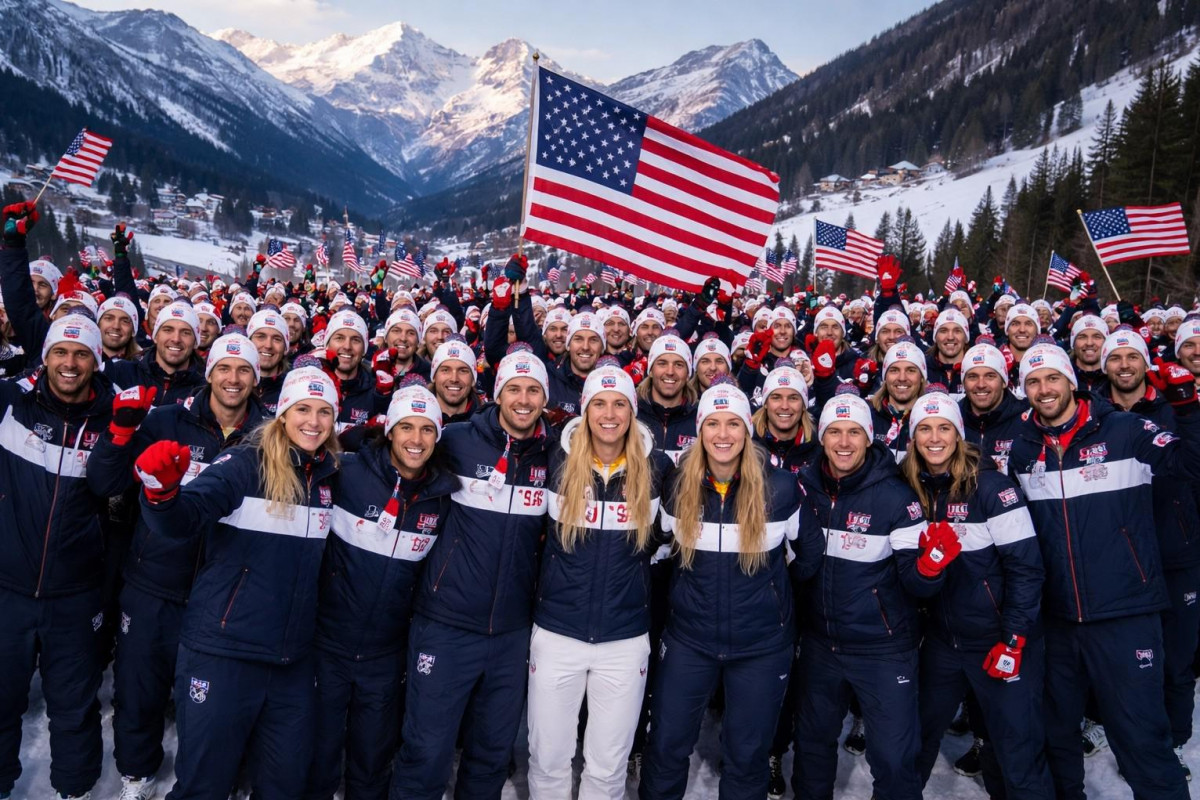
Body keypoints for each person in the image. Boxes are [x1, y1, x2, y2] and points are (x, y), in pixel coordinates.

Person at [132, 366, 341, 799]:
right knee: (204, 787)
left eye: (324, 412)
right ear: (282, 413)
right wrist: (161, 494)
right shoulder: (245, 463)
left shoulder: (326, 477)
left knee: (284, 787)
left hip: (290, 661)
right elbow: (185, 517)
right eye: (303, 409)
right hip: (224, 653)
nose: (314, 422)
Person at [1011, 341, 1200, 799]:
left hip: (1125, 614)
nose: (1044, 389)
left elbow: (1190, 464)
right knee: (1057, 737)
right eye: (1033, 382)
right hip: (1056, 621)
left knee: (1142, 739)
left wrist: (1189, 408)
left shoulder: (1125, 429)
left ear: (1071, 382)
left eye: (1052, 378)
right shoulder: (1022, 450)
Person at [87, 333, 269, 800]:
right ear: (208, 373)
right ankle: (136, 773)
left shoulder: (268, 434)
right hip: (155, 582)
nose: (233, 378)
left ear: (257, 377)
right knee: (139, 689)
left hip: (223, 593)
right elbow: (106, 482)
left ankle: (212, 779)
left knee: (215, 704)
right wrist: (122, 433)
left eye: (244, 370)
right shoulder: (168, 419)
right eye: (224, 368)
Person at [639, 381, 823, 800]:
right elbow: (656, 547)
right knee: (666, 747)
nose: (724, 435)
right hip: (690, 641)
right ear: (700, 430)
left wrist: (770, 597)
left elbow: (808, 556)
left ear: (748, 430)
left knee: (747, 756)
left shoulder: (780, 488)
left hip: (761, 646)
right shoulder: (677, 485)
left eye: (734, 424)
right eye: (714, 424)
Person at [391, 348, 554, 800]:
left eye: (533, 390)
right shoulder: (457, 440)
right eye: (514, 389)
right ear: (497, 394)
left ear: (545, 398)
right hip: (446, 623)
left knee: (489, 755)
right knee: (426, 751)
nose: (523, 400)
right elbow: (396, 460)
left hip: (510, 630)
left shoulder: (555, 453)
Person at [792, 388, 949, 800]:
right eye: (835, 432)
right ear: (822, 437)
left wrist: (930, 568)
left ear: (869, 438)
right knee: (811, 748)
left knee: (895, 760)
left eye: (855, 433)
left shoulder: (896, 497)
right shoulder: (801, 492)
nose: (844, 443)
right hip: (820, 644)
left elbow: (918, 586)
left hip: (883, 649)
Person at [528, 362, 673, 799]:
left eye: (619, 404)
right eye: (599, 403)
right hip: (558, 632)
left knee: (608, 767)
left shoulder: (659, 469)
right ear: (585, 409)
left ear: (632, 411)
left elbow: (664, 541)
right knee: (548, 758)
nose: (609, 414)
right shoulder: (554, 458)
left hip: (624, 639)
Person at [900, 389, 1054, 797]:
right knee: (913, 744)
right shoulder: (910, 488)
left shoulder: (991, 487)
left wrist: (1014, 638)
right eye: (925, 429)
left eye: (944, 428)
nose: (935, 438)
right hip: (941, 641)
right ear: (913, 437)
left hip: (996, 640)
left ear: (959, 434)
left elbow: (1027, 568)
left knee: (1017, 751)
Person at [306, 385, 457, 800]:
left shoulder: (442, 496)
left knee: (371, 761)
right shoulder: (347, 472)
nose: (416, 439)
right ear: (388, 430)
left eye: (427, 430)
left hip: (385, 654)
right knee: (316, 755)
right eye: (406, 426)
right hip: (327, 644)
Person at [0, 313, 114, 800]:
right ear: (44, 356)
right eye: (60, 353)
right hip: (7, 588)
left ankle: (76, 790)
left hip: (75, 593)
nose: (70, 363)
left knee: (74, 707)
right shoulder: (9, 403)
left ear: (97, 361)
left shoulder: (114, 419)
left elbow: (114, 488)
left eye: (82, 353)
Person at [1098, 327, 1200, 775]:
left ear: (1146, 364)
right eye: (1115, 358)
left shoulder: (1172, 407)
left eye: (1132, 357)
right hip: (1117, 555)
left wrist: (1189, 407)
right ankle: (1112, 726)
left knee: (1177, 660)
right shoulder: (1093, 412)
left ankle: (1173, 741)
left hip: (1174, 549)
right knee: (1125, 659)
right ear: (1105, 366)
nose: (1124, 365)